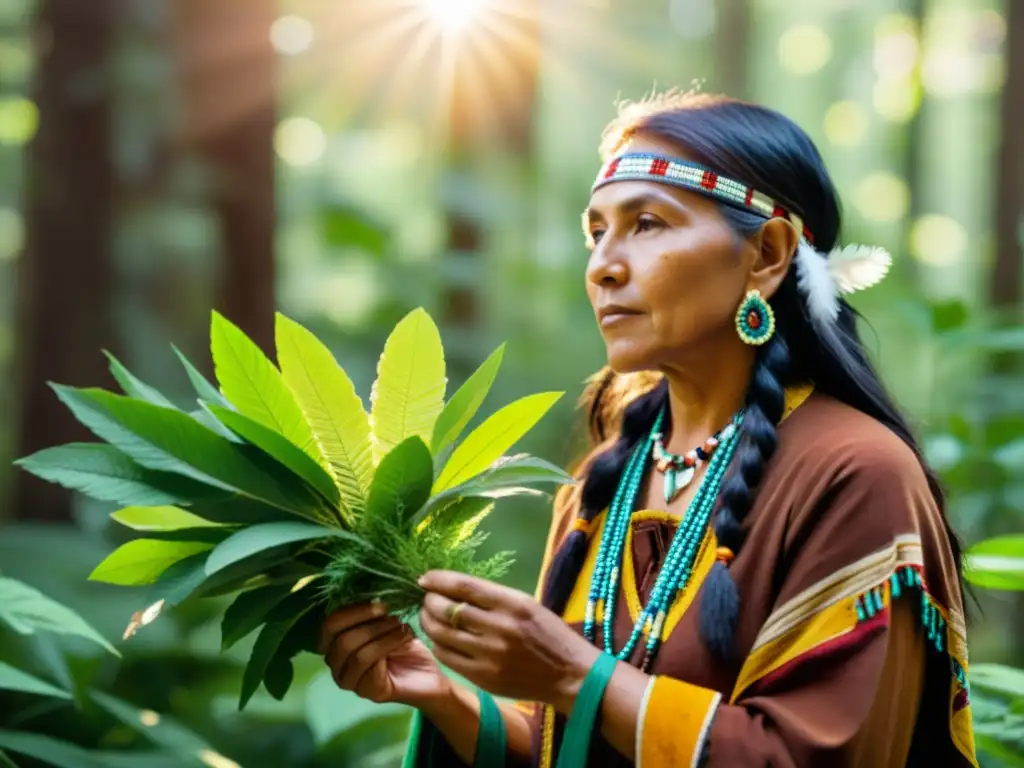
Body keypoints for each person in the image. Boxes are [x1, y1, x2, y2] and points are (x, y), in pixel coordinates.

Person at [318, 91, 978, 767]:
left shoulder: (855, 472)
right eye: (596, 231)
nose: (603, 264)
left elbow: (814, 756)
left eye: (648, 224)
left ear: (768, 254)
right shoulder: (599, 484)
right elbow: (570, 744)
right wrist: (445, 699)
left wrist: (576, 672)